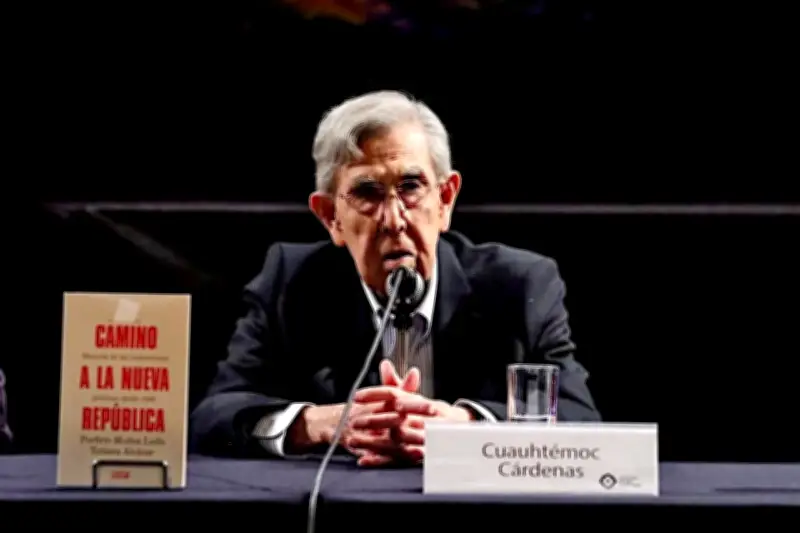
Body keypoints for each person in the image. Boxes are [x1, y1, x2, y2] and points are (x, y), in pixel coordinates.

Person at [190, 90, 600, 466]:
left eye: (410, 186)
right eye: (367, 193)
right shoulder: (291, 282)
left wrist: (468, 427)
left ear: (445, 200)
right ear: (330, 217)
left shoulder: (518, 286)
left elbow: (581, 420)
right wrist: (316, 424)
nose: (394, 220)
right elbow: (212, 416)